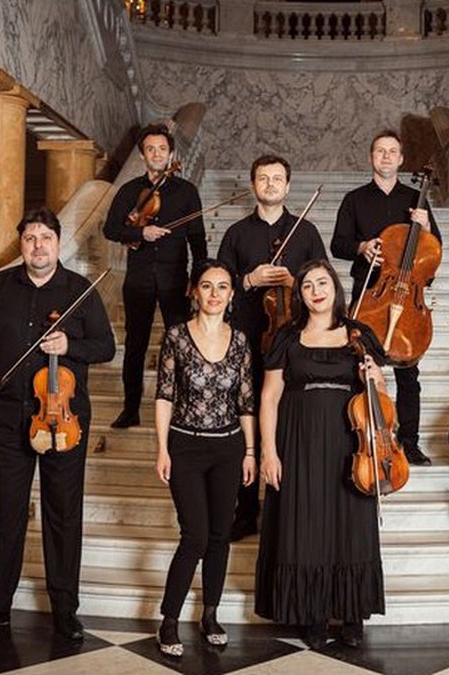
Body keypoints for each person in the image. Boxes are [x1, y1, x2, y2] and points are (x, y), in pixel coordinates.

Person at [0, 207, 116, 641]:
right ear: (22, 244)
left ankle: (65, 610)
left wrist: (72, 345)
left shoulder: (80, 291)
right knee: (5, 514)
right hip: (5, 419)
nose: (37, 246)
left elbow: (106, 346)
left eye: (45, 237)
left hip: (63, 420)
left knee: (63, 514)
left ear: (57, 242)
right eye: (30, 238)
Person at [254, 259, 386, 650]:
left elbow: (379, 390)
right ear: (300, 295)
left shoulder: (359, 334)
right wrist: (268, 451)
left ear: (335, 288)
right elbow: (269, 396)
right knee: (305, 524)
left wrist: (373, 376)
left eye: (322, 282)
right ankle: (311, 612)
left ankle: (352, 613)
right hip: (297, 441)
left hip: (349, 441)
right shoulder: (287, 336)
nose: (316, 289)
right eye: (308, 284)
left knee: (351, 526)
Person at [217, 154, 327, 541]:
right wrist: (249, 278)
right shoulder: (235, 234)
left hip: (296, 344)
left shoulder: (306, 230)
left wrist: (297, 284)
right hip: (247, 342)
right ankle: (246, 511)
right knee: (248, 427)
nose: (270, 184)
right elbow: (218, 286)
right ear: (253, 185)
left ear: (287, 185)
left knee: (289, 428)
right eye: (263, 178)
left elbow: (324, 281)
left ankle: (286, 514)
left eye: (277, 178)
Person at [153, 259, 257, 657]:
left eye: (222, 287)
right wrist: (161, 448)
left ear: (231, 294)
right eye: (207, 286)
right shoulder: (177, 336)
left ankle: (211, 613)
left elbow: (246, 401)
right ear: (195, 292)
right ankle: (169, 619)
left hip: (229, 447)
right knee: (195, 535)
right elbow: (164, 395)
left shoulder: (241, 340)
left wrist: (249, 451)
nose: (214, 294)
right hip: (185, 446)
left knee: (219, 536)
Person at [331, 130, 441, 467]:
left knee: (409, 374)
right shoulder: (354, 199)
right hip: (370, 295)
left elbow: (434, 252)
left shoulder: (417, 199)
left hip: (407, 299)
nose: (386, 157)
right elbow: (338, 244)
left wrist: (426, 229)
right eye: (380, 151)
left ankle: (409, 442)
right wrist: (361, 248)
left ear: (401, 158)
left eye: (392, 151)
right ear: (371, 157)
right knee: (363, 367)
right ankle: (363, 438)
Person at [103, 123, 207, 429]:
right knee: (135, 344)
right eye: (151, 149)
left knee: (179, 345)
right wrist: (140, 231)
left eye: (162, 149)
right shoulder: (129, 191)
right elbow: (111, 229)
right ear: (143, 155)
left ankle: (181, 407)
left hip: (176, 278)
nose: (157, 154)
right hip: (139, 280)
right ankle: (130, 408)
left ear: (170, 152)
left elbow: (198, 240)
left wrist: (198, 280)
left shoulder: (187, 191)